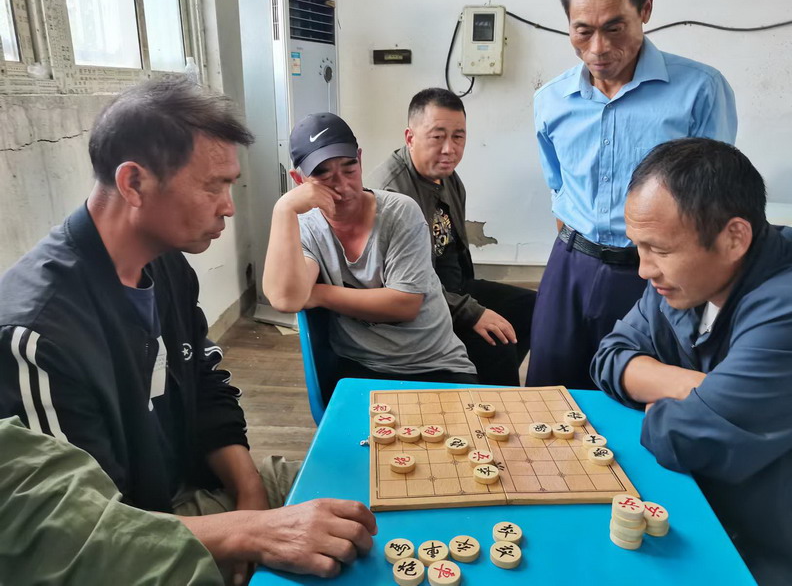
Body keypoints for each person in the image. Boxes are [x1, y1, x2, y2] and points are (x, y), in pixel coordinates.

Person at [0, 77, 376, 581]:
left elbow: (205, 386)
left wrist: (250, 496)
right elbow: (85, 536)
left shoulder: (166, 264)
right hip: (133, 541)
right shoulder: (36, 332)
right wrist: (248, 532)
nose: (229, 206)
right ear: (134, 183)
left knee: (370, 491)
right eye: (213, 186)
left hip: (197, 492)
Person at [592, 138, 792, 585]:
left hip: (783, 553)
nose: (644, 269)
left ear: (734, 237)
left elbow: (687, 438)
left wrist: (668, 401)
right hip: (710, 512)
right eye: (639, 247)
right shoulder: (686, 280)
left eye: (660, 250)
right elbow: (610, 358)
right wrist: (703, 389)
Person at [528, 0, 738, 389]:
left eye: (614, 28)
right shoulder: (551, 101)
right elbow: (559, 189)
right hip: (570, 266)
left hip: (657, 277)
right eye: (582, 31)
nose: (598, 48)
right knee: (548, 393)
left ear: (645, 9)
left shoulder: (699, 90)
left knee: (640, 396)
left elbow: (716, 201)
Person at [263, 111, 477, 399]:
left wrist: (319, 294)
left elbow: (404, 304)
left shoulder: (400, 212)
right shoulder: (306, 227)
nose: (342, 186)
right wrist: (283, 209)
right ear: (298, 179)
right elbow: (286, 299)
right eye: (323, 174)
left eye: (349, 169)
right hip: (358, 368)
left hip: (434, 366)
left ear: (360, 160)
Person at [372, 88, 536, 387]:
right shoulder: (390, 196)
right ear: (410, 137)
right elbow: (400, 288)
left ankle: (480, 385)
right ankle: (487, 400)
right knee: (497, 344)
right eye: (437, 136)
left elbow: (454, 258)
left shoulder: (447, 176)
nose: (449, 149)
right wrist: (471, 313)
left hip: (452, 291)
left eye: (458, 137)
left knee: (532, 309)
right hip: (419, 309)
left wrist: (470, 304)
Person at [0, 416, 223, 585]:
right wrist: (228, 533)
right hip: (149, 520)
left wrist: (243, 496)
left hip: (166, 505)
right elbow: (78, 533)